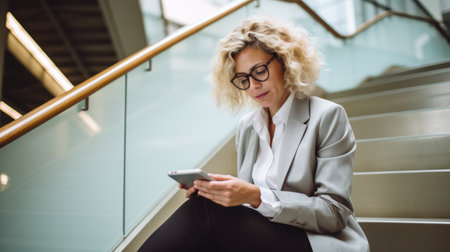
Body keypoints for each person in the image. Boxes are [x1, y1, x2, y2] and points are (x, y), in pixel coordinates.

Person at [139, 16, 370, 252]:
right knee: (205, 209)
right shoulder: (248, 126)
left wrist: (255, 195)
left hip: (314, 241)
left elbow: (334, 213)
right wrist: (218, 191)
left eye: (259, 71)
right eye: (243, 79)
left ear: (286, 61)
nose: (253, 86)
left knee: (207, 212)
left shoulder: (327, 116)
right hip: (264, 234)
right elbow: (249, 205)